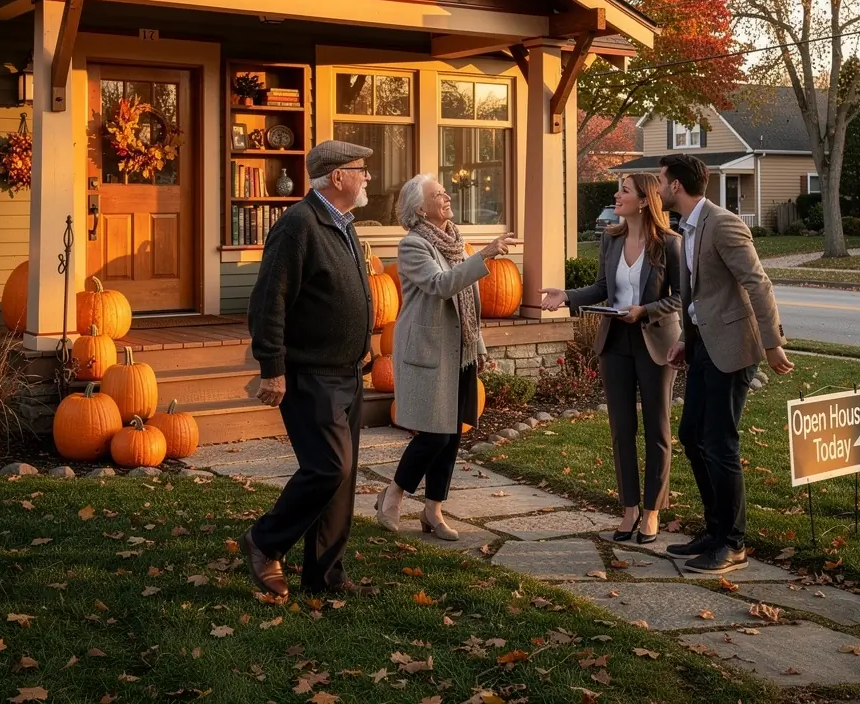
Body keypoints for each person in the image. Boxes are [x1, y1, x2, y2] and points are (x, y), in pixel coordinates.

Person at [238, 139, 375, 603]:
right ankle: (265, 541)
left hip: (347, 372)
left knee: (342, 479)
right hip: (310, 374)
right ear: (338, 177)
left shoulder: (343, 224)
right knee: (328, 467)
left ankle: (325, 576)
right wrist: (272, 368)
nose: (367, 177)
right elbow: (268, 301)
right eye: (361, 169)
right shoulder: (299, 225)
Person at [657, 153, 794, 574]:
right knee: (692, 435)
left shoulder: (723, 223)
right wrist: (685, 340)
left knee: (719, 442)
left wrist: (773, 343)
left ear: (676, 185)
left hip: (733, 346)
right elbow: (700, 295)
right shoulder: (688, 227)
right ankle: (715, 530)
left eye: (661, 181)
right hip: (703, 345)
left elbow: (757, 282)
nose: (657, 189)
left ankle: (733, 544)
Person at [540, 173, 682, 544]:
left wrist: (645, 310)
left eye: (624, 191)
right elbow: (602, 287)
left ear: (644, 200)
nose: (616, 196)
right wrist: (566, 296)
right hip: (615, 341)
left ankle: (652, 510)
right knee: (621, 428)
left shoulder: (670, 243)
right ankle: (630, 508)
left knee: (657, 429)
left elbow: (682, 296)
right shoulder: (611, 238)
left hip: (655, 342)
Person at [374, 174, 516, 539]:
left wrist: (477, 346)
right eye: (438, 194)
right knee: (434, 435)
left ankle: (433, 511)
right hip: (428, 350)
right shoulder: (412, 245)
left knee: (452, 434)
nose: (447, 196)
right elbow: (442, 285)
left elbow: (469, 303)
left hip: (460, 351)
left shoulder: (455, 241)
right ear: (421, 209)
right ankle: (393, 493)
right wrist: (486, 254)